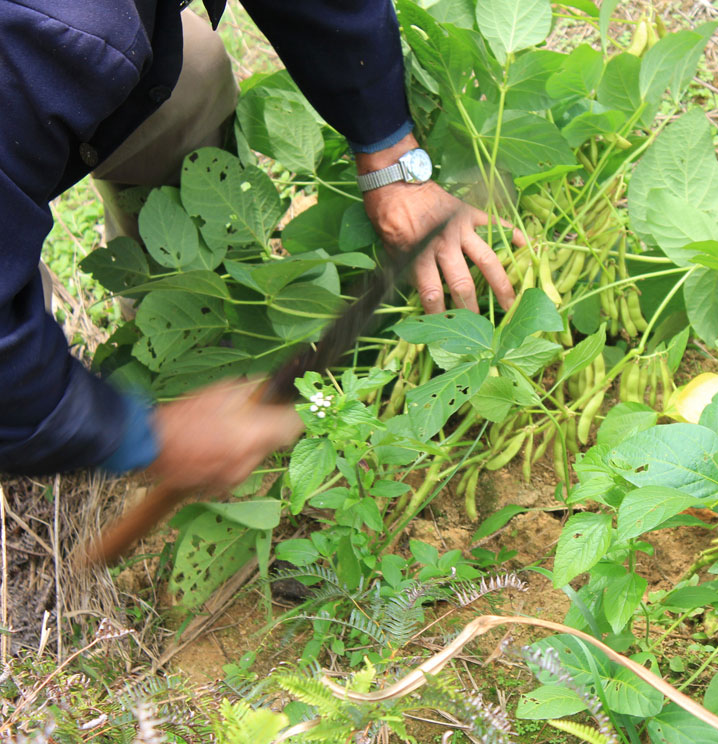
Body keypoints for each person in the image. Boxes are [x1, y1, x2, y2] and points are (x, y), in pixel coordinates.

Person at [0, 0, 521, 491]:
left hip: (55, 60)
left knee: (192, 70)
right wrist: (132, 436)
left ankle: (181, 315)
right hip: (32, 65)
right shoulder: (61, 30)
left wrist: (388, 149)